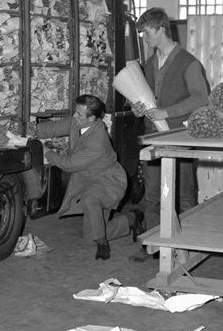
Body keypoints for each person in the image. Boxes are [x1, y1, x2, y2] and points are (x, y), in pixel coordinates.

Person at [129, 7, 209, 263]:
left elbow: (201, 99)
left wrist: (167, 112)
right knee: (152, 196)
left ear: (162, 29)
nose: (144, 37)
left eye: (147, 32)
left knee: (184, 196)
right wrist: (137, 107)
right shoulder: (150, 63)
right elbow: (144, 97)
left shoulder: (189, 62)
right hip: (154, 138)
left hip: (180, 139)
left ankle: (191, 248)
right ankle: (157, 248)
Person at [37, 94, 143, 260]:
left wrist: (45, 151)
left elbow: (70, 164)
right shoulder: (78, 121)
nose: (74, 116)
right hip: (89, 181)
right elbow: (53, 128)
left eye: (78, 114)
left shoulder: (98, 141)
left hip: (109, 183)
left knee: (89, 199)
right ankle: (131, 219)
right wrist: (26, 132)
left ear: (92, 118)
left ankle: (102, 243)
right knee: (89, 240)